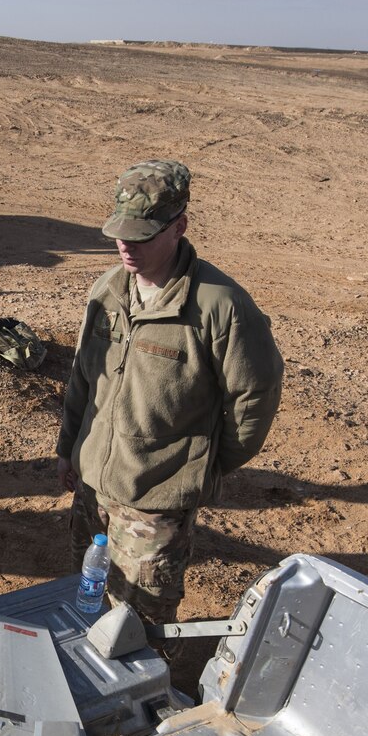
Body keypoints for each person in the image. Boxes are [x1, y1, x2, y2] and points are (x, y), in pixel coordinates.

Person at [56, 160, 284, 626]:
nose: (126, 246)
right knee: (84, 599)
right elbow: (84, 378)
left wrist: (202, 465)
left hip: (157, 501)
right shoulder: (107, 291)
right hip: (93, 485)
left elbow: (254, 396)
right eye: (121, 233)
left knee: (138, 624)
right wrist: (69, 449)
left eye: (142, 236)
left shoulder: (220, 306)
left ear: (179, 226)